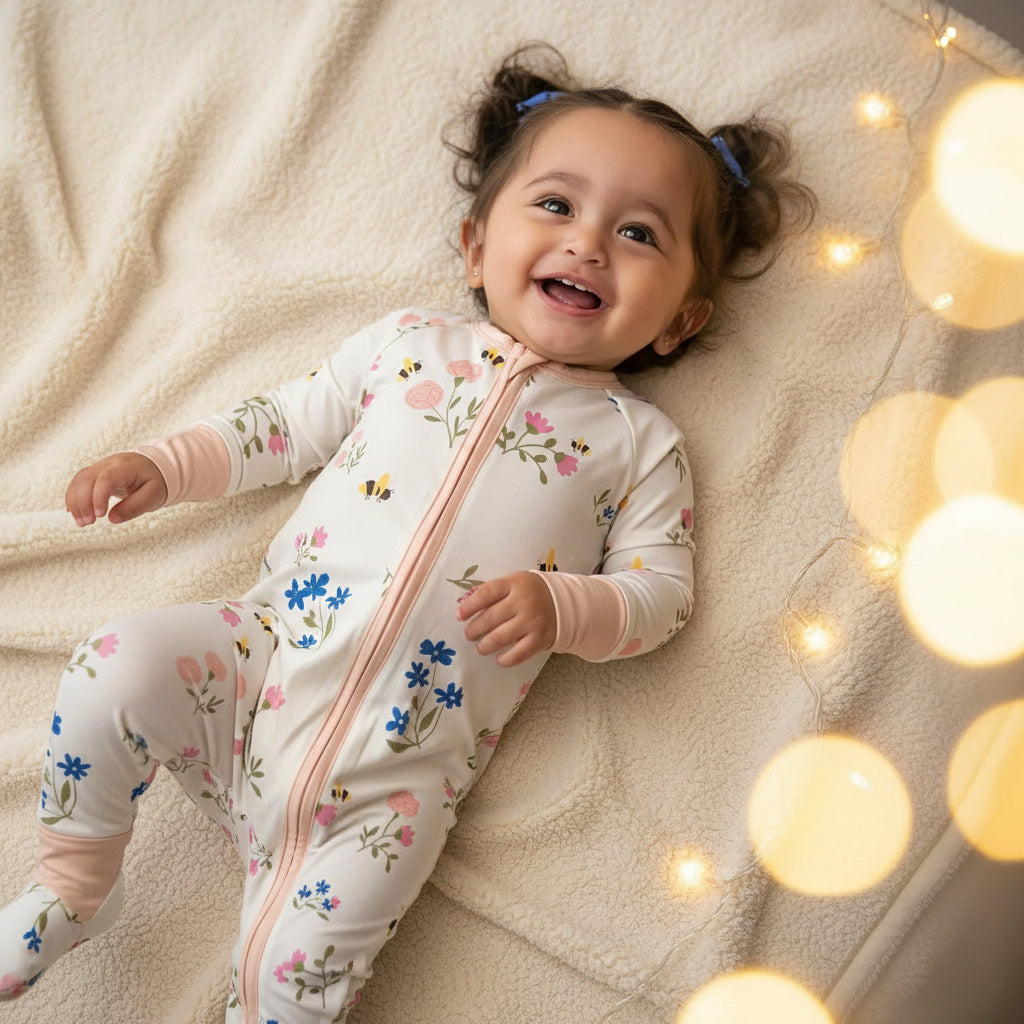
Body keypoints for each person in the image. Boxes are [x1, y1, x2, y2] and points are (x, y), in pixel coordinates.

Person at [0, 43, 814, 1021]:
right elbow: (281, 425)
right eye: (554, 205)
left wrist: (565, 605)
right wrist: (164, 466)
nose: (588, 242)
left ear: (678, 322)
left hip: (393, 781)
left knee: (292, 983)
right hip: (258, 665)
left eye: (638, 232)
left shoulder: (639, 445)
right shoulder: (405, 348)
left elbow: (658, 598)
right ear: (476, 247)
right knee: (116, 662)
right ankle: (73, 888)